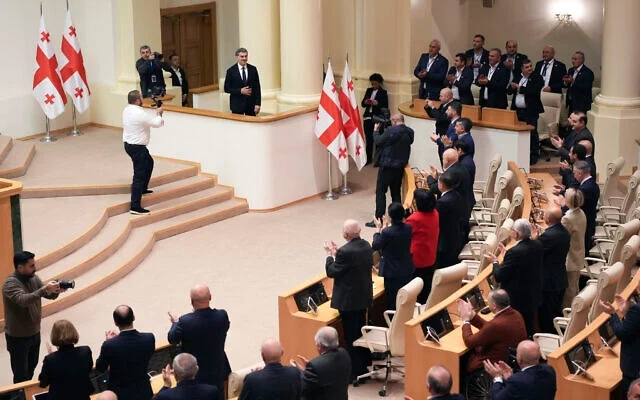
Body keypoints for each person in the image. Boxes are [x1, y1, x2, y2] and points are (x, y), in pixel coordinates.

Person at [2, 251, 63, 383]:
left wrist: (56, 291)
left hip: (34, 333)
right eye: (31, 266)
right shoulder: (10, 284)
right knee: (20, 374)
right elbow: (23, 300)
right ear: (20, 267)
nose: (35, 268)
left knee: (31, 367)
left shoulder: (33, 278)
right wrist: (44, 289)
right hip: (17, 338)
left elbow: (47, 294)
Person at [324, 219, 373, 382]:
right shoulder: (366, 245)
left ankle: (357, 371)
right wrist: (339, 253)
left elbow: (332, 271)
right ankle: (365, 361)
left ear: (345, 235)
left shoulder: (345, 252)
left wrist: (330, 256)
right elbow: (351, 262)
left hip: (349, 300)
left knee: (352, 336)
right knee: (361, 330)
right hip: (363, 296)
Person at [168, 284, 231, 396]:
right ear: (210, 297)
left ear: (191, 301)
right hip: (219, 370)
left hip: (195, 375)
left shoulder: (184, 322)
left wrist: (176, 322)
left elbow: (172, 338)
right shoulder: (222, 316)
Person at [485, 219, 544, 337]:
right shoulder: (538, 245)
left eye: (512, 230)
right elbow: (522, 262)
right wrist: (507, 256)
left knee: (519, 329)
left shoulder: (515, 252)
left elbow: (499, 276)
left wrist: (495, 262)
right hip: (533, 293)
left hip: (517, 298)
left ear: (516, 234)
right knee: (529, 325)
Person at [457, 289, 528, 372]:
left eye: (488, 301)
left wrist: (466, 321)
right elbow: (489, 329)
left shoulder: (495, 325)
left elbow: (469, 342)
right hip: (510, 361)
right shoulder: (516, 314)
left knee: (464, 358)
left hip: (493, 366)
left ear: (494, 305)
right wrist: (472, 315)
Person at [95, 305, 156, 400]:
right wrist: (117, 340)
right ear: (133, 317)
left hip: (119, 395)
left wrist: (109, 342)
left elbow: (100, 368)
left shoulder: (109, 346)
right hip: (143, 392)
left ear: (115, 323)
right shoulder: (149, 338)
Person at [366, 114, 414, 227]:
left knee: (381, 192)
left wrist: (376, 131)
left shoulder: (392, 131)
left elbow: (378, 141)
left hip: (387, 166)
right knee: (396, 192)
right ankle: (397, 217)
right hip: (400, 166)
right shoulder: (410, 132)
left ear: (395, 121)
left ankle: (379, 218)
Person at [122, 89, 164, 215]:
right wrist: (159, 113)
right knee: (138, 175)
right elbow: (156, 123)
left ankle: (143, 188)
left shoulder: (127, 109)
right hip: (137, 147)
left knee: (149, 162)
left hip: (129, 145)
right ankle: (135, 206)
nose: (142, 99)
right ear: (137, 100)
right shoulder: (139, 113)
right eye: (141, 98)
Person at [600, 282, 640, 399]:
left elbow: (622, 334)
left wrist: (613, 314)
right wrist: (627, 313)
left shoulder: (637, 310)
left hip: (634, 368)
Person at [372, 203, 415, 311]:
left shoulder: (387, 232)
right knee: (406, 298)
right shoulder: (408, 228)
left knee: (393, 302)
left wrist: (378, 229)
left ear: (390, 217)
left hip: (392, 272)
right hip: (406, 267)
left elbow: (376, 245)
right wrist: (386, 229)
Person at [534, 207, 570, 334]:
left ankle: (547, 338)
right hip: (560, 278)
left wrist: (535, 239)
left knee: (547, 315)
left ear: (548, 219)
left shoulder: (548, 236)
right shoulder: (564, 232)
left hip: (548, 282)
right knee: (555, 310)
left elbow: (535, 252)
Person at [38, 320, 93, 400]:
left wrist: (51, 357)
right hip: (82, 396)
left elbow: (43, 383)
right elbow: (88, 369)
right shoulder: (85, 351)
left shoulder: (50, 360)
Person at [291, 327, 351, 400]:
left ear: (319, 345)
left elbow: (304, 390)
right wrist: (308, 370)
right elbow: (327, 374)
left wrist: (299, 371)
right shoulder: (344, 353)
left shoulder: (315, 366)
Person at [484, 340, 557, 400]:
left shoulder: (517, 381)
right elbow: (528, 390)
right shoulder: (549, 370)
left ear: (519, 358)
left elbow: (498, 398)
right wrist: (510, 377)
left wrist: (497, 377)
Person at [556, 160, 600, 255]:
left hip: (585, 225)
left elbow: (574, 206)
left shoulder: (586, 188)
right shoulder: (591, 183)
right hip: (586, 220)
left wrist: (563, 203)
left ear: (580, 173)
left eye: (575, 173)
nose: (574, 176)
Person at [406, 189, 439, 304]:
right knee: (426, 286)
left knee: (416, 289)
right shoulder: (435, 213)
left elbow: (405, 233)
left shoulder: (414, 219)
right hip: (430, 255)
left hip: (417, 259)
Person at [509, 59, 544, 165]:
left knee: (532, 133)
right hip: (518, 110)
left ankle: (533, 155)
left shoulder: (537, 77)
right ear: (522, 69)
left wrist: (520, 88)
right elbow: (510, 92)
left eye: (530, 66)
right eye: (527, 67)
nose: (530, 69)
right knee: (518, 132)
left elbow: (534, 92)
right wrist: (511, 87)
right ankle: (519, 153)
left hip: (531, 110)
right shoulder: (518, 77)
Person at [560, 189, 587, 308]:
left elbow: (561, 237)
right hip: (579, 253)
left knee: (569, 289)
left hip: (570, 257)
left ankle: (568, 312)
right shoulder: (581, 212)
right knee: (574, 286)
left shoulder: (567, 219)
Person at [433, 174, 465, 268]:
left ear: (442, 185)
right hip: (456, 234)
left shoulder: (442, 202)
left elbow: (436, 219)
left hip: (445, 240)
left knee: (443, 266)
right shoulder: (456, 194)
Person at [155, 353, 220, 400]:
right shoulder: (212, 391)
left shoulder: (165, 396)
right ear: (197, 369)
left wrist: (166, 385)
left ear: (174, 374)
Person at [224, 47, 261, 115]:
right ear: (237, 57)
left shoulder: (253, 69)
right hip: (237, 106)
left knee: (251, 125)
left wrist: (258, 104)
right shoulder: (230, 71)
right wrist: (240, 91)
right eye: (242, 56)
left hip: (251, 105)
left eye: (246, 56)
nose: (244, 58)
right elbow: (226, 88)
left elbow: (257, 88)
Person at [361, 73, 389, 164]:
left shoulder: (383, 93)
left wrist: (377, 104)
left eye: (375, 84)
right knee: (368, 139)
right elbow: (362, 104)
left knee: (377, 139)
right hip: (368, 117)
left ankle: (378, 160)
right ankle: (368, 159)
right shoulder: (369, 91)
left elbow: (385, 106)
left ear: (379, 83)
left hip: (377, 117)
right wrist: (366, 102)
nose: (373, 86)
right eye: (372, 84)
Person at [426, 93, 460, 166]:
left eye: (448, 110)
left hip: (449, 150)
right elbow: (435, 114)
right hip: (442, 143)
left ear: (454, 112)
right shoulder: (453, 123)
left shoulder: (457, 126)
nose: (446, 111)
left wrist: (438, 139)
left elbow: (450, 142)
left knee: (447, 167)